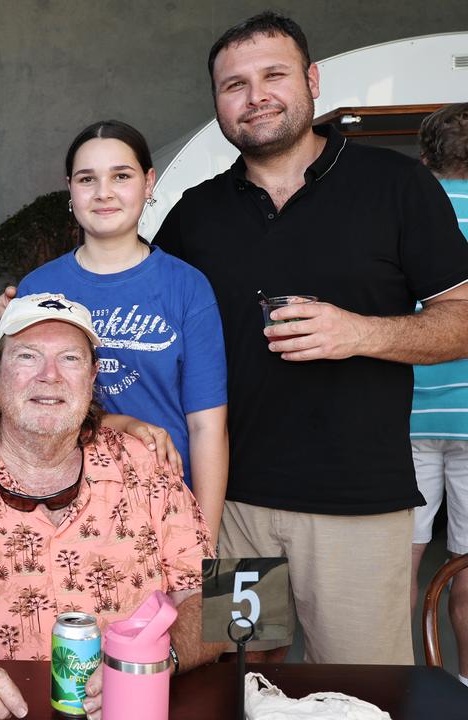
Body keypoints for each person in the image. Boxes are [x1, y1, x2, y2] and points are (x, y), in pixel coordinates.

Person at [150, 13, 468, 664]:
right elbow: (145, 321)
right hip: (234, 507)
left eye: (273, 75)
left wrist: (359, 331)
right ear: (217, 103)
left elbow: (461, 317)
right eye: (233, 84)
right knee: (240, 675)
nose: (255, 95)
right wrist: (37, 312)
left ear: (312, 81)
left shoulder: (397, 185)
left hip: (355, 507)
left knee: (359, 687)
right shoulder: (196, 213)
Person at [0, 294, 220, 720]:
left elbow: (216, 600)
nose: (49, 376)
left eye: (69, 358)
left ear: (92, 376)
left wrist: (159, 661)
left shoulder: (148, 468)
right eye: (28, 356)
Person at [14, 120, 228, 531]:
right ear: (70, 190)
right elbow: (21, 417)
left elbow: (207, 427)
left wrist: (206, 538)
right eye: (87, 179)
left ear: (148, 183)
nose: (103, 192)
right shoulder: (39, 288)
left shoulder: (187, 287)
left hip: (163, 512)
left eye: (121, 176)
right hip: (57, 513)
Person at [409, 102, 468, 686]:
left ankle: (397, 678)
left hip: (407, 413)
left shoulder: (410, 211)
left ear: (424, 157)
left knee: (396, 564)